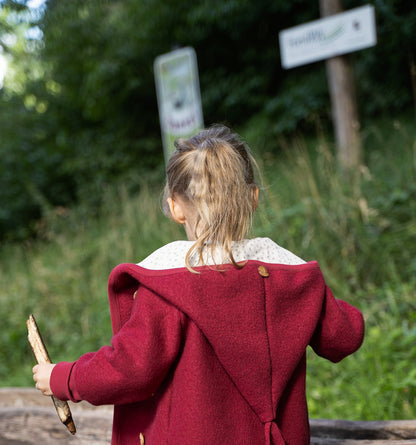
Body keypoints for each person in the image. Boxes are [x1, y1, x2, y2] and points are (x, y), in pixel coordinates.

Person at [33, 124, 364, 445]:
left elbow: (130, 368)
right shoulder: (290, 274)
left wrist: (63, 378)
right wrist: (309, 284)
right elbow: (344, 336)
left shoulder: (171, 283)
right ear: (253, 197)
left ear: (175, 207)